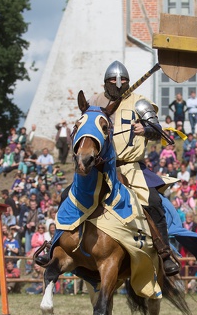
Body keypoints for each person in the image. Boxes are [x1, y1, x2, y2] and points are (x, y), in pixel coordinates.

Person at [37, 61, 179, 277]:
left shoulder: (139, 103)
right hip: (99, 168)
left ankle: (164, 253)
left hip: (130, 168)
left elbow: (159, 132)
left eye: (121, 81)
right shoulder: (95, 102)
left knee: (153, 201)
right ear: (106, 83)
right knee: (67, 196)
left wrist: (146, 128)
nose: (117, 84)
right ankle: (54, 245)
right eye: (113, 81)